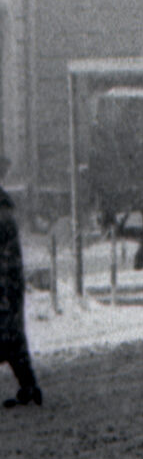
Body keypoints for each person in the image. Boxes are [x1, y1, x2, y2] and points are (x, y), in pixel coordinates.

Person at [0, 167, 41, 409]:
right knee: (13, 340)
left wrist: (3, 289)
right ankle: (29, 385)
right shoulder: (5, 211)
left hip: (5, 286)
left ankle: (29, 385)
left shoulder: (2, 215)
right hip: (8, 286)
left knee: (10, 339)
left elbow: (7, 258)